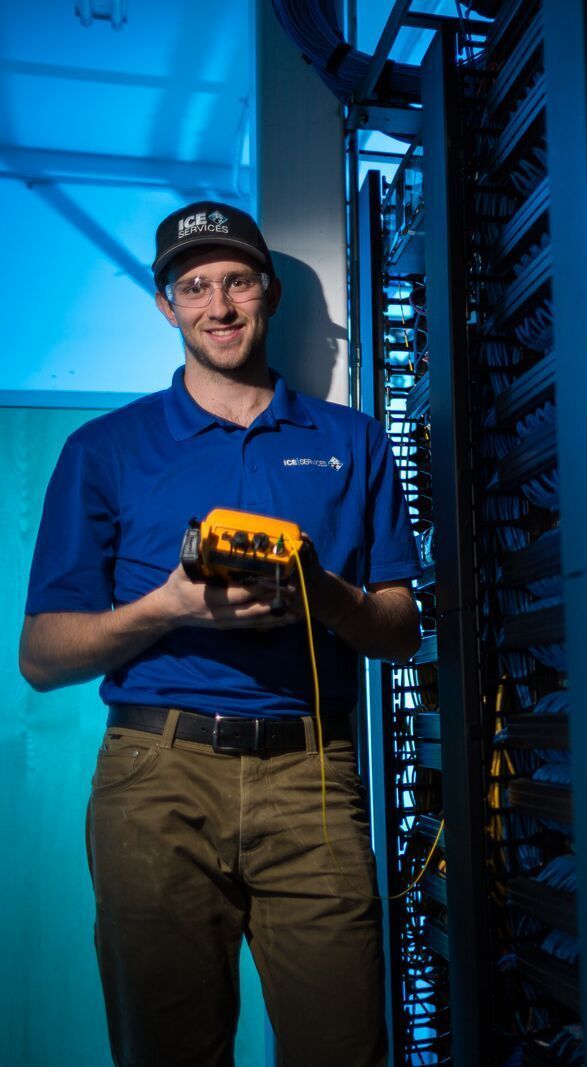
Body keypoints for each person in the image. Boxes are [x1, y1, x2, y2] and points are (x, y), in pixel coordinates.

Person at [19, 201, 421, 1066]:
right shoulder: (105, 448)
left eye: (237, 281)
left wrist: (324, 595)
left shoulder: (351, 442)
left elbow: (402, 631)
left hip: (312, 771)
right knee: (166, 1048)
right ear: (167, 306)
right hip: (155, 777)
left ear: (268, 292)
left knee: (343, 1043)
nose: (220, 305)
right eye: (194, 286)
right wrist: (168, 606)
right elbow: (41, 657)